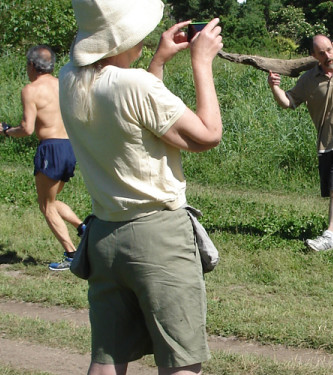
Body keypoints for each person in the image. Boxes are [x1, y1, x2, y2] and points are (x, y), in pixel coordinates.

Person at [58, 0, 223, 374]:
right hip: (157, 235)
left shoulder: (68, 79)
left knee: (107, 358)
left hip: (103, 235)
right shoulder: (135, 84)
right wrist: (202, 62)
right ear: (121, 40)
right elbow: (207, 136)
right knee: (180, 360)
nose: (146, 41)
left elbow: (135, 117)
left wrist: (159, 65)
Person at [267, 35, 333, 252]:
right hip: (326, 142)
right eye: (321, 53)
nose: (327, 56)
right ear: (314, 56)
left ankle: (329, 236)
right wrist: (274, 87)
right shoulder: (309, 78)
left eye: (328, 50)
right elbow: (288, 102)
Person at [0, 44, 86, 271]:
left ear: (32, 65)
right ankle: (84, 229)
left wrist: (7, 131)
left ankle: (72, 254)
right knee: (52, 200)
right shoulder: (63, 84)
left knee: (46, 206)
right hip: (70, 146)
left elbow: (27, 128)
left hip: (51, 148)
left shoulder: (31, 89)